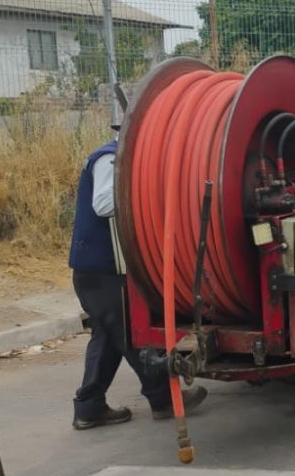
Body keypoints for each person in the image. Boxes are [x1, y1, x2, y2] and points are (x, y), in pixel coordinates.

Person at [69, 134, 207, 430]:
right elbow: (103, 204)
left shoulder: (115, 157)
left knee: (107, 336)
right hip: (101, 270)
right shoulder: (109, 159)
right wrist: (143, 192)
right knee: (129, 332)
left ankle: (89, 408)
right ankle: (162, 399)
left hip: (98, 270)